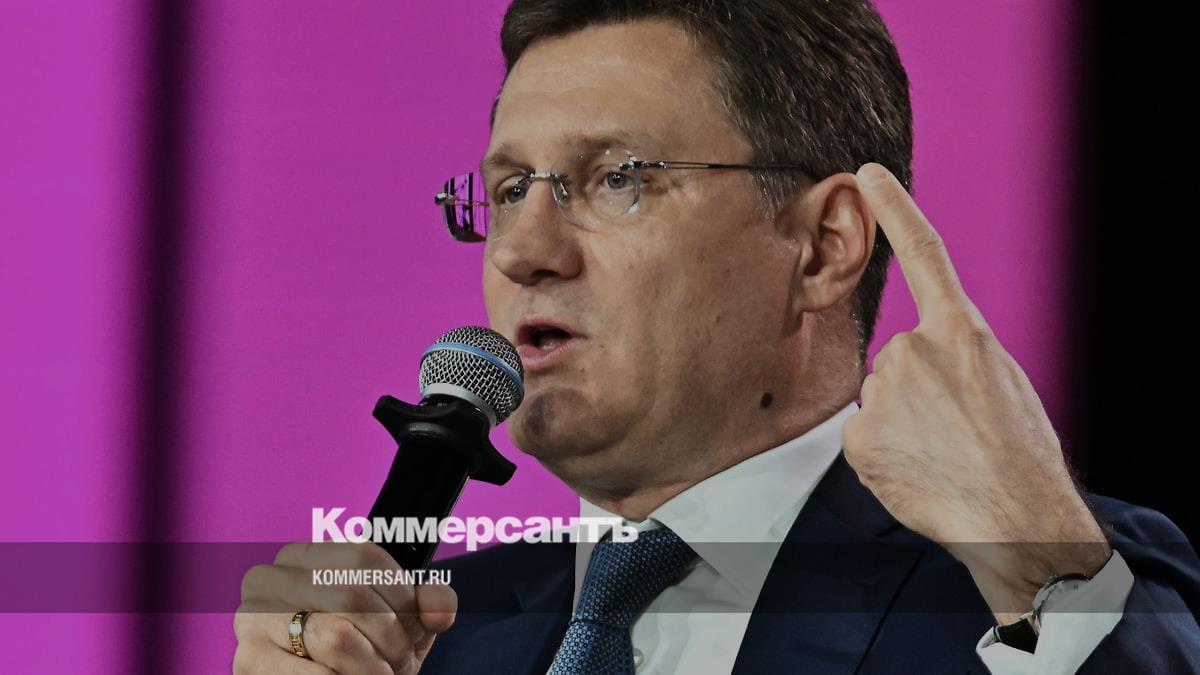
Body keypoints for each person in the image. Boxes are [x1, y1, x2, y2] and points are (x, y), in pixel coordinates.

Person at [233, 1, 1200, 672]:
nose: (523, 250)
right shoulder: (428, 640)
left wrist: (1037, 565)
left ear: (824, 245)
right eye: (510, 189)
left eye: (617, 178)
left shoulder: (1032, 599)